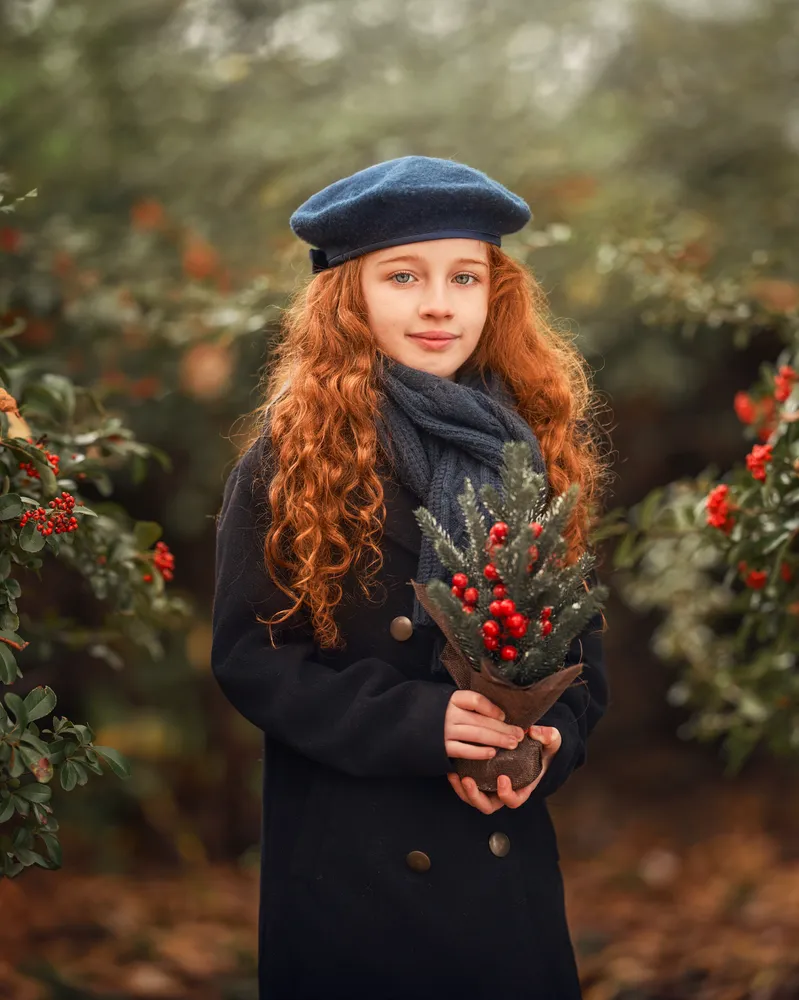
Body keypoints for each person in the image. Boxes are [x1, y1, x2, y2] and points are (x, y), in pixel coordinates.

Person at [211, 155, 611, 1000]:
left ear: (492, 296)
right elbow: (253, 658)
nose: (438, 303)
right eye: (403, 276)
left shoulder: (529, 449)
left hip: (503, 875)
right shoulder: (291, 459)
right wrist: (419, 723)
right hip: (354, 868)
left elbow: (582, 656)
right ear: (346, 297)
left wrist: (547, 741)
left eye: (464, 276)